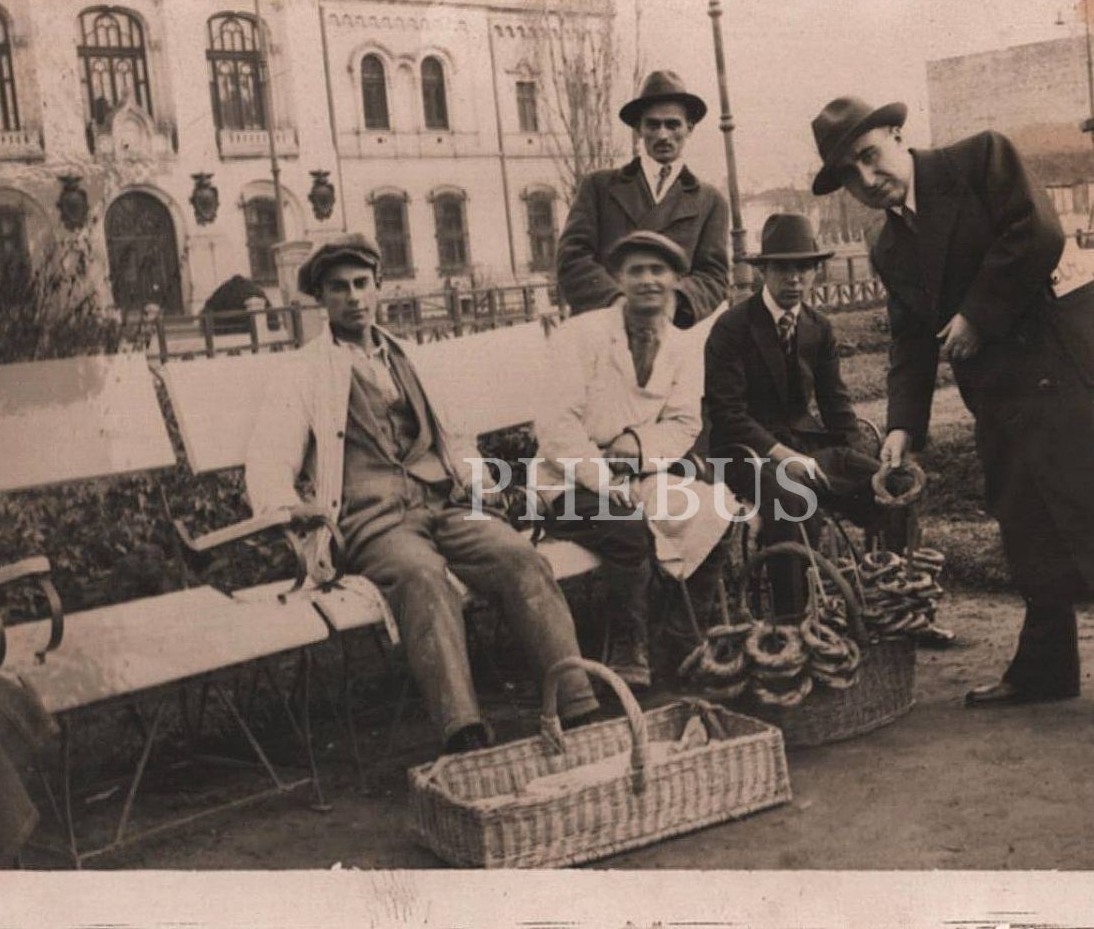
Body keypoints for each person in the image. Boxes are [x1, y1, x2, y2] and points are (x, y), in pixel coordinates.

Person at [807, 96, 1094, 727]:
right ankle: (1045, 669)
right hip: (1004, 393)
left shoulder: (978, 160)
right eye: (850, 174)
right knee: (1025, 522)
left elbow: (1038, 232)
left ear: (896, 135)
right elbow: (910, 340)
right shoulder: (886, 246)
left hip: (1075, 369)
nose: (867, 177)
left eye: (869, 155)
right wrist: (902, 426)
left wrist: (976, 315)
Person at [244, 234, 600, 754]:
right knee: (422, 577)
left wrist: (480, 486)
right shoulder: (303, 372)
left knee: (519, 557)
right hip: (374, 520)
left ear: (378, 287)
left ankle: (579, 703)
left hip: (444, 502)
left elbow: (455, 438)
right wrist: (287, 508)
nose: (354, 297)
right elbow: (269, 458)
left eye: (362, 284)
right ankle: (464, 733)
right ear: (321, 298)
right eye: (339, 288)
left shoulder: (411, 358)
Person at [704, 213, 954, 644]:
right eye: (783, 268)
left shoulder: (817, 327)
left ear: (815, 271)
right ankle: (795, 631)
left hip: (806, 446)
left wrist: (867, 462)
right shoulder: (732, 327)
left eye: (805, 268)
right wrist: (785, 457)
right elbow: (728, 414)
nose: (795, 279)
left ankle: (895, 609)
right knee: (795, 501)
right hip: (746, 454)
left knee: (893, 487)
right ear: (763, 271)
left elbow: (837, 407)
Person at [535, 231, 741, 689]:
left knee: (718, 508)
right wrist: (605, 478)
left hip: (640, 474)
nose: (649, 281)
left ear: (677, 279)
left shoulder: (682, 346)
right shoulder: (582, 336)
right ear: (618, 279)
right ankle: (629, 649)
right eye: (636, 271)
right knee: (626, 526)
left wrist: (637, 443)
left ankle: (681, 641)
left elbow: (684, 422)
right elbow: (555, 428)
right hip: (566, 482)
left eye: (659, 271)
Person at [556, 70, 730, 328]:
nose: (663, 135)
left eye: (673, 124)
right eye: (653, 125)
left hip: (672, 331)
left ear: (689, 128)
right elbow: (571, 257)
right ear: (639, 129)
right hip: (604, 326)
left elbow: (714, 275)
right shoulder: (598, 187)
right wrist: (616, 301)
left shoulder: (710, 201)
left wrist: (673, 302)